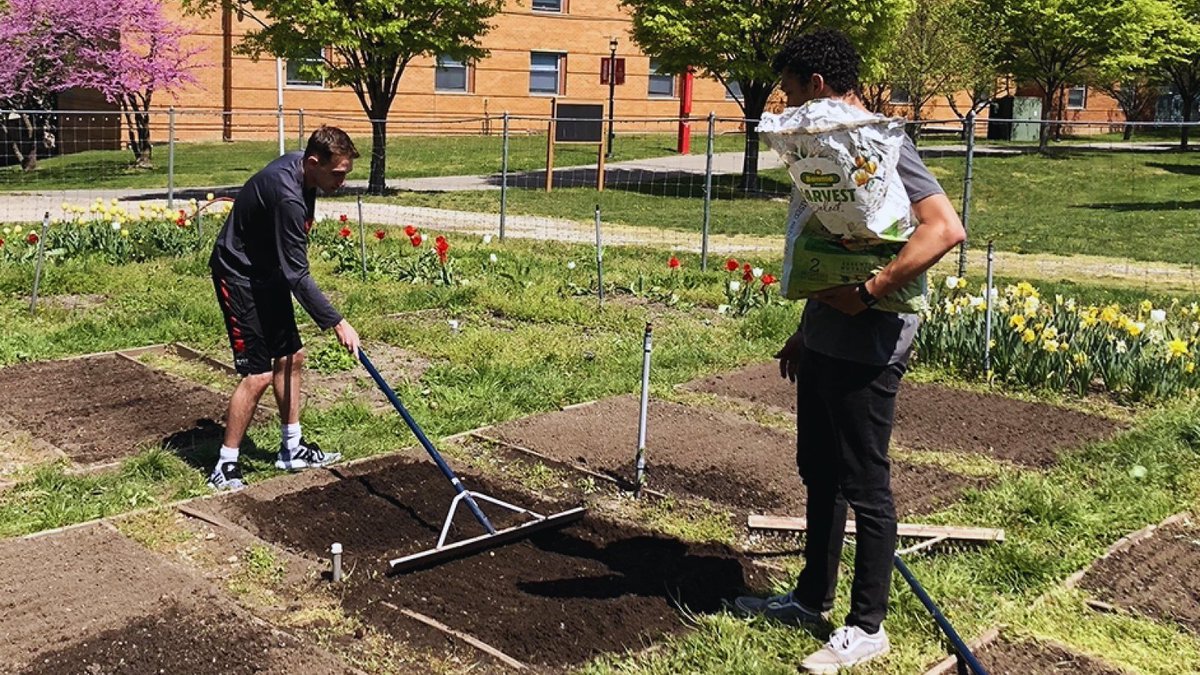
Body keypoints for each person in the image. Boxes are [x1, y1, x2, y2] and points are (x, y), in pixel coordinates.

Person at [733, 30, 966, 673]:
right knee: (820, 471)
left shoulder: (884, 145)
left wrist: (870, 291)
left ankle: (867, 627)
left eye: (790, 88)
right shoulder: (825, 151)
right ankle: (812, 598)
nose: (786, 99)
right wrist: (808, 330)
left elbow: (945, 227)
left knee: (866, 483)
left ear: (818, 82)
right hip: (828, 336)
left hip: (872, 339)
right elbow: (833, 240)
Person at [207, 125, 363, 491]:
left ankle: (291, 449)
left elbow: (289, 268)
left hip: (269, 269)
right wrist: (338, 323)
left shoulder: (305, 177)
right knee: (258, 374)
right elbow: (298, 274)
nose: (342, 181)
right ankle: (224, 465)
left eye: (346, 173)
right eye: (337, 173)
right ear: (313, 162)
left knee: (292, 357)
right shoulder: (287, 195)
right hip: (239, 274)